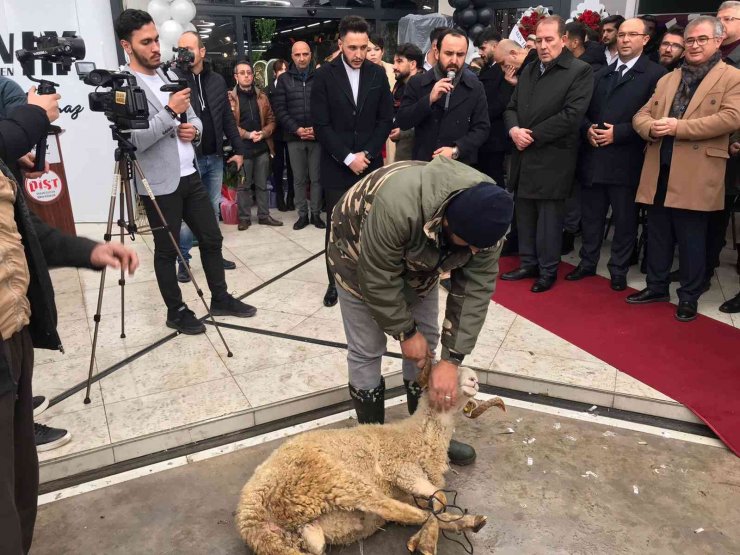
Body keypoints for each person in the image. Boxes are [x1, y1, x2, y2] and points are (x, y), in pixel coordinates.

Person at [0, 85, 139, 555]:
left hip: (13, 332)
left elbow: (30, 232)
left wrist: (92, 252)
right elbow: (16, 128)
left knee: (20, 473)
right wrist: (33, 114)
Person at [327, 156, 513, 466]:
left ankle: (426, 438)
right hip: (358, 255)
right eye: (468, 245)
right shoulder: (398, 207)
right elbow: (377, 277)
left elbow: (474, 292)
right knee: (367, 349)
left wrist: (452, 360)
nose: (476, 253)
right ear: (447, 222)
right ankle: (372, 448)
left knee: (428, 345)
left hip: (422, 262)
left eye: (481, 247)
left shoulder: (488, 219)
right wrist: (404, 332)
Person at [116, 9, 256, 334]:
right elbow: (133, 140)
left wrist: (194, 130)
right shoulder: (123, 84)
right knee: (168, 251)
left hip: (188, 173)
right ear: (127, 46)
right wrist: (168, 113)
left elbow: (193, 117)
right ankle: (176, 311)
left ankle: (220, 297)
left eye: (155, 40)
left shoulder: (166, 76)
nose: (155, 47)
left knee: (211, 237)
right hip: (158, 183)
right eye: (146, 42)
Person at [627, 16, 740, 322]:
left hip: (698, 169)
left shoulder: (732, 77)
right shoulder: (668, 78)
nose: (694, 45)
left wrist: (679, 127)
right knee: (659, 232)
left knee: (692, 238)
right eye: (690, 40)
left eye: (702, 39)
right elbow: (641, 114)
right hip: (659, 166)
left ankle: (688, 296)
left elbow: (731, 118)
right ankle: (656, 286)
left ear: (718, 41)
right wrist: (651, 128)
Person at [567, 18, 666, 291]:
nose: (623, 40)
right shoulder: (600, 73)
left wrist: (619, 133)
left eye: (631, 35)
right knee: (591, 217)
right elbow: (581, 110)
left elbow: (655, 118)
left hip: (627, 160)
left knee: (624, 220)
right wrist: (587, 129)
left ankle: (618, 269)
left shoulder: (657, 75)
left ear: (645, 40)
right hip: (594, 156)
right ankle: (587, 262)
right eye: (621, 35)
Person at [501, 16, 593, 293]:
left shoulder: (580, 70)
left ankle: (547, 269)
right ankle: (528, 262)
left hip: (553, 158)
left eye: (549, 39)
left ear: (564, 40)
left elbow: (572, 115)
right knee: (525, 215)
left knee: (549, 221)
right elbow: (510, 107)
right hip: (523, 155)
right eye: (538, 40)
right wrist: (514, 130)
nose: (542, 45)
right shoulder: (529, 69)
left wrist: (532, 135)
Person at [311, 15, 394, 307]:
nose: (358, 54)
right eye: (352, 48)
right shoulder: (323, 75)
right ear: (340, 44)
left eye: (363, 47)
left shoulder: (377, 74)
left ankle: (367, 281)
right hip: (337, 165)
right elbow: (321, 125)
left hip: (370, 164)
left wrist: (367, 155)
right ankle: (335, 283)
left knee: (370, 227)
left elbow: (385, 119)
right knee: (337, 227)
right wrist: (347, 158)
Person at [174, 31, 244, 284]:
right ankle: (183, 261)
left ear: (202, 51)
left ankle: (213, 256)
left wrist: (238, 149)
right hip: (187, 160)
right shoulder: (173, 79)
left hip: (213, 157)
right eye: (181, 49)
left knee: (212, 210)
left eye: (190, 48)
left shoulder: (216, 81)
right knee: (184, 215)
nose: (185, 54)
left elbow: (227, 118)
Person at [396, 28, 490, 165]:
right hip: (424, 164)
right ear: (437, 53)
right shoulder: (417, 82)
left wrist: (456, 150)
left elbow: (482, 128)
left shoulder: (475, 87)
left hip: (459, 167)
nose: (454, 60)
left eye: (460, 54)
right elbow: (403, 120)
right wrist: (429, 99)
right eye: (449, 53)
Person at [272, 42, 325, 230]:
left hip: (317, 137)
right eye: (297, 55)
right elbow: (280, 109)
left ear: (311, 55)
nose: (301, 58)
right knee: (299, 179)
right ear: (292, 57)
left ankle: (316, 214)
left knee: (317, 178)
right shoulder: (284, 80)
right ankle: (302, 214)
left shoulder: (321, 77)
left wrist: (317, 129)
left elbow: (329, 106)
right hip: (294, 138)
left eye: (305, 54)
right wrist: (297, 129)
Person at [228, 60, 283, 230]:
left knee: (262, 184)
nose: (246, 76)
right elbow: (228, 124)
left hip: (262, 148)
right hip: (242, 149)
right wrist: (247, 134)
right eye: (242, 73)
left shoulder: (262, 97)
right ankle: (244, 218)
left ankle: (264, 215)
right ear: (236, 77)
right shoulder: (230, 99)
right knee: (243, 186)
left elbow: (272, 120)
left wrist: (264, 133)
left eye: (249, 73)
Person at [716, 1, 740, 313]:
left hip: (734, 145)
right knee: (715, 214)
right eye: (718, 19)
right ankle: (703, 270)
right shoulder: (713, 54)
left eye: (729, 19)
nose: (722, 24)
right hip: (712, 151)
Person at [476, 28, 512, 188]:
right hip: (481, 137)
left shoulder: (504, 69)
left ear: (495, 46)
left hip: (494, 138)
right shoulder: (486, 69)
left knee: (493, 181)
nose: (480, 53)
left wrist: (478, 115)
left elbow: (502, 102)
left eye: (483, 48)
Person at [266, 58, 294, 212]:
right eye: (280, 70)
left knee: (292, 166)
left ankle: (291, 197)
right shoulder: (267, 89)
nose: (283, 72)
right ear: (275, 73)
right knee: (277, 166)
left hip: (290, 131)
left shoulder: (291, 86)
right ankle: (279, 197)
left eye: (285, 69)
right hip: (275, 132)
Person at [389, 43, 423, 162]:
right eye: (394, 62)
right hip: (402, 152)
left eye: (399, 61)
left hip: (417, 157)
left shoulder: (425, 87)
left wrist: (403, 133)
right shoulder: (399, 86)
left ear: (413, 64)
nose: (394, 66)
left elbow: (429, 122)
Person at [367, 34, 397, 163]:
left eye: (377, 49)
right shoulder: (360, 73)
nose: (373, 54)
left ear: (383, 51)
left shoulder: (394, 70)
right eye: (368, 50)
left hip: (392, 125)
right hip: (369, 128)